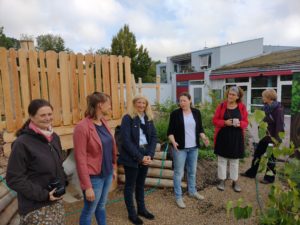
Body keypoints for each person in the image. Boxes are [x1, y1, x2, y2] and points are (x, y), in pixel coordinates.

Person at [6, 99, 66, 225]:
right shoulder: (22, 143)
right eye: (42, 115)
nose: (47, 118)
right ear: (31, 117)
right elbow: (14, 179)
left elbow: (59, 165)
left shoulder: (54, 138)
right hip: (35, 207)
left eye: (50, 114)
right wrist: (44, 195)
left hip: (56, 202)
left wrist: (63, 182)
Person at [73, 92, 117, 225]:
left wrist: (113, 168)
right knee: (89, 210)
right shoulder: (82, 127)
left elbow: (109, 149)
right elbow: (80, 159)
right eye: (108, 104)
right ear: (100, 105)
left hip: (107, 173)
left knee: (101, 205)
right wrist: (87, 187)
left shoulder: (103, 121)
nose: (110, 107)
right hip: (94, 177)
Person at [118, 94, 157, 225]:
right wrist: (140, 157)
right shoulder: (127, 118)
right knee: (130, 186)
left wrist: (149, 155)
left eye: (144, 103)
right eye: (139, 103)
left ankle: (142, 209)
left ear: (146, 105)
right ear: (134, 103)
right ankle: (132, 214)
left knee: (140, 184)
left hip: (145, 152)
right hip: (131, 155)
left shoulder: (148, 118)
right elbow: (126, 141)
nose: (141, 105)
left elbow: (153, 137)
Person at [167, 92, 209, 209]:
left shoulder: (196, 112)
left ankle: (192, 191)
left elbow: (200, 129)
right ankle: (178, 197)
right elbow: (170, 132)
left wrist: (204, 138)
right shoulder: (175, 114)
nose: (182, 103)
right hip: (180, 148)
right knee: (178, 173)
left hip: (193, 148)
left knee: (192, 171)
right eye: (180, 101)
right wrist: (173, 141)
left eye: (184, 100)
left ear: (190, 101)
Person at [241, 88, 284, 184]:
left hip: (272, 138)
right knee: (257, 155)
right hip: (264, 137)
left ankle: (269, 178)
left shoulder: (278, 109)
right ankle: (251, 173)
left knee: (271, 158)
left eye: (263, 96)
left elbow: (280, 125)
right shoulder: (265, 107)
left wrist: (276, 140)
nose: (262, 98)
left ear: (269, 97)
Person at [213, 86, 248, 192]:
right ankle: (222, 180)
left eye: (233, 95)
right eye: (229, 94)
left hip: (236, 137)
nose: (230, 96)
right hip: (223, 136)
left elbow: (246, 122)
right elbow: (215, 120)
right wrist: (224, 122)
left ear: (238, 97)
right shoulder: (222, 106)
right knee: (222, 160)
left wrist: (240, 124)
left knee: (234, 161)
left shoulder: (241, 107)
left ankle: (234, 181)